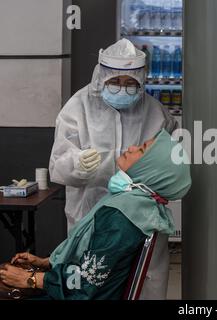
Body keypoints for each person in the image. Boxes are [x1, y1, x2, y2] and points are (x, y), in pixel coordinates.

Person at [49, 38, 178, 299]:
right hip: (91, 215)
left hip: (139, 218)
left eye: (131, 84)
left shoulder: (156, 113)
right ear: (101, 78)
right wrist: (78, 165)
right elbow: (58, 164)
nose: (123, 89)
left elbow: (171, 167)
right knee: (89, 282)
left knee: (143, 282)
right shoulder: (77, 108)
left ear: (142, 80)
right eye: (115, 82)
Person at [0, 129, 191, 299]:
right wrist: (48, 262)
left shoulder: (122, 217)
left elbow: (85, 285)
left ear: (150, 170)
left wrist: (31, 279)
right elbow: (95, 262)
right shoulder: (139, 208)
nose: (131, 148)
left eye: (141, 150)